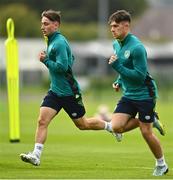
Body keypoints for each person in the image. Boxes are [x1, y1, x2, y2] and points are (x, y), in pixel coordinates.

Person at [20, 9, 120, 166]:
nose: (42, 27)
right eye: (42, 24)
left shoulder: (58, 42)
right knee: (42, 121)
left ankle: (111, 126)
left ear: (56, 25)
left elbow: (62, 67)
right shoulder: (51, 40)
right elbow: (70, 58)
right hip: (55, 91)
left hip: (69, 92)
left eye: (46, 24)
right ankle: (36, 155)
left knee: (83, 124)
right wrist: (50, 60)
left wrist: (45, 60)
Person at [106, 10, 168, 176]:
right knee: (116, 127)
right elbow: (126, 68)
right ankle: (151, 118)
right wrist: (119, 81)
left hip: (145, 94)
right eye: (111, 26)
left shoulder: (137, 47)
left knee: (146, 132)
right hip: (129, 94)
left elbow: (140, 76)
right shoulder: (116, 44)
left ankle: (161, 164)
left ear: (126, 26)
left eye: (115, 26)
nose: (112, 29)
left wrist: (117, 66)